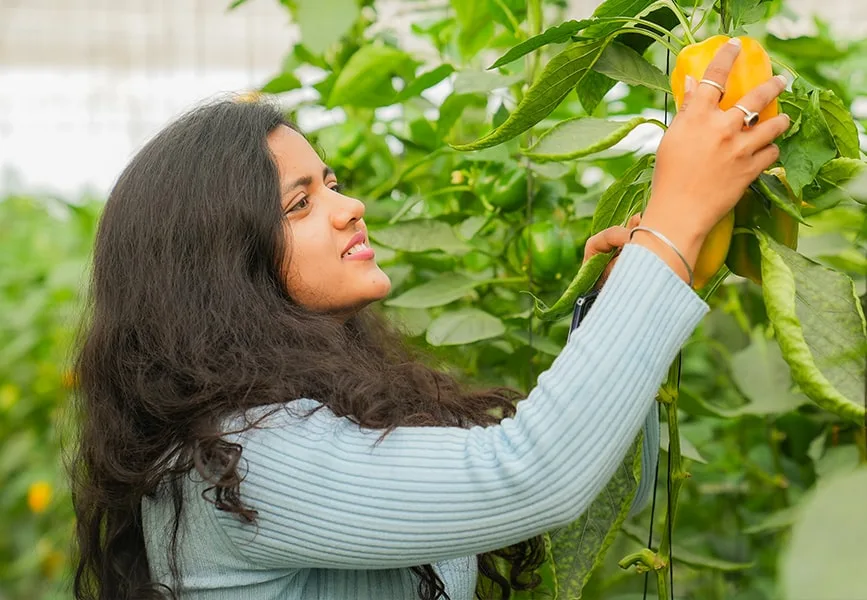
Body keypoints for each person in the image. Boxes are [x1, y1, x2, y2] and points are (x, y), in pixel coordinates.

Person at [69, 38, 790, 600]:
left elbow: (569, 487)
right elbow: (533, 479)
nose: (347, 206)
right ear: (223, 267)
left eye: (332, 183)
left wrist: (624, 295)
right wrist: (671, 220)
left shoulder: (317, 407)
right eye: (299, 204)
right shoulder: (242, 463)